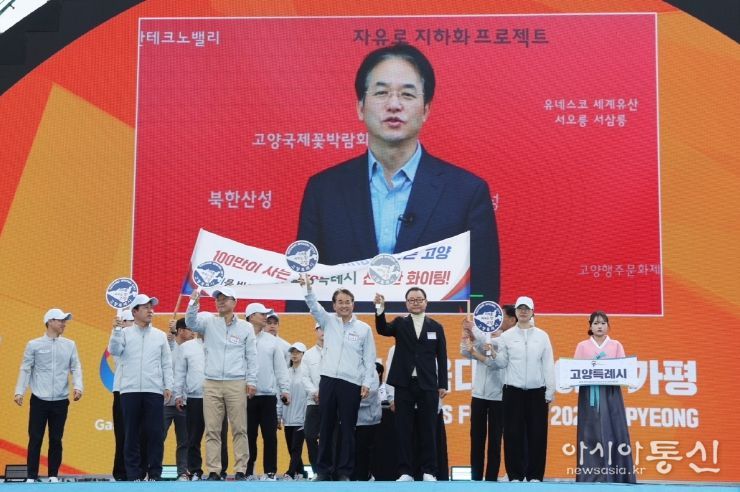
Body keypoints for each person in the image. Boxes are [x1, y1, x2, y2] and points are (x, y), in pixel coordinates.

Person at [297, 43, 499, 309]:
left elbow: (483, 295)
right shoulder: (324, 191)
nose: (394, 105)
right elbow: (303, 288)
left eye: (407, 94)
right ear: (360, 107)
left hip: (432, 335)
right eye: (381, 93)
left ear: (426, 109)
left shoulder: (466, 193)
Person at [299, 276, 377, 481]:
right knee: (326, 426)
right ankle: (323, 471)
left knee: (348, 428)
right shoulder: (328, 321)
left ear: (353, 304)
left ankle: (344, 472)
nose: (344, 305)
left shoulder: (364, 329)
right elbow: (314, 306)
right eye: (340, 302)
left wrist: (367, 383)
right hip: (328, 381)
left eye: (347, 302)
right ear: (334, 305)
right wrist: (308, 289)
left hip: (351, 383)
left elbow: (369, 358)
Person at [374, 287, 448, 481]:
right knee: (403, 430)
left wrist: (443, 384)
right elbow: (382, 329)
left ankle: (429, 471)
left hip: (428, 384)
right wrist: (380, 309)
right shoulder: (400, 323)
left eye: (419, 299)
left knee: (429, 429)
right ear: (406, 303)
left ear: (426, 302)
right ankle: (405, 471)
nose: (416, 302)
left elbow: (442, 357)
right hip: (404, 384)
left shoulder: (436, 327)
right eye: (412, 300)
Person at [185, 287, 258, 481]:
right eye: (218, 298)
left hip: (236, 382)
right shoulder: (209, 322)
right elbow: (190, 322)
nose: (220, 301)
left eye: (225, 298)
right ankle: (214, 470)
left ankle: (241, 469)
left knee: (239, 428)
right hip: (211, 382)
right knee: (212, 430)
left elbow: (251, 356)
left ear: (234, 302)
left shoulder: (246, 327)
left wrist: (251, 381)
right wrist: (193, 303)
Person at [108, 294, 173, 481]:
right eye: (145, 308)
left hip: (154, 390)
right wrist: (116, 331)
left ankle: (155, 473)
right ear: (134, 312)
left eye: (151, 307)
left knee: (155, 434)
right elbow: (114, 351)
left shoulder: (160, 336)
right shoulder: (124, 333)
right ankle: (133, 474)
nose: (150, 311)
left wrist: (168, 385)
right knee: (131, 434)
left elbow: (166, 363)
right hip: (129, 391)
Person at [490, 296, 555, 482]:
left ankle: (535, 475)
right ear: (516, 312)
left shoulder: (542, 336)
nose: (523, 311)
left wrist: (550, 390)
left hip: (537, 392)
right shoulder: (506, 336)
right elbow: (502, 363)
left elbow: (548, 364)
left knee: (538, 434)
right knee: (512, 434)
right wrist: (492, 352)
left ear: (533, 311)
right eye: (520, 308)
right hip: (513, 391)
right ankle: (515, 475)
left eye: (527, 308)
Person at [14, 308, 83, 483]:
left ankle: (53, 475)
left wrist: (78, 386)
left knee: (56, 439)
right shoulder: (34, 344)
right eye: (61, 320)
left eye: (65, 321)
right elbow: (25, 368)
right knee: (35, 438)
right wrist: (19, 391)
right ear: (50, 321)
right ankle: (31, 476)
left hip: (61, 400)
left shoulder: (70, 344)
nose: (64, 324)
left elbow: (76, 367)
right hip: (39, 399)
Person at [574, 311, 636, 483]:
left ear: (608, 326)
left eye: (602, 323)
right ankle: (590, 475)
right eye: (595, 323)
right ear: (590, 326)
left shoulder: (616, 345)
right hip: (589, 393)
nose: (599, 326)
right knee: (589, 431)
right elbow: (575, 369)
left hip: (611, 393)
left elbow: (624, 368)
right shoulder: (582, 346)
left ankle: (617, 474)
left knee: (614, 429)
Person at [460, 304, 516, 481]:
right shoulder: (484, 335)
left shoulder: (505, 339)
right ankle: (476, 477)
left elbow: (492, 358)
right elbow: (465, 352)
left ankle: (491, 477)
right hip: (478, 395)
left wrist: (475, 331)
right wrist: (466, 334)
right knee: (476, 437)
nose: (498, 319)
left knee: (495, 439)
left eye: (501, 316)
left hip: (499, 396)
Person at [173, 330, 230, 481]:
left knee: (219, 435)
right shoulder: (186, 347)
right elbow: (180, 372)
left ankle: (219, 471)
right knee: (193, 437)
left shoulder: (222, 345)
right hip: (195, 397)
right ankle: (195, 471)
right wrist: (178, 394)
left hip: (218, 397)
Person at [244, 302, 290, 480]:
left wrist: (285, 389)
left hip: (268, 396)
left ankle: (270, 472)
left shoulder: (272, 341)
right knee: (248, 436)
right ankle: (247, 472)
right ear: (251, 317)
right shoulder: (241, 338)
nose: (265, 317)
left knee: (270, 436)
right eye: (262, 314)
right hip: (245, 396)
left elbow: (280, 368)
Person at [164, 318, 193, 481]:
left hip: (185, 403)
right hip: (166, 403)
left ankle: (183, 472)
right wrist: (170, 336)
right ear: (181, 331)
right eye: (189, 329)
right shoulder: (168, 346)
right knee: (157, 438)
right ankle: (152, 471)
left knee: (184, 441)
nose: (193, 332)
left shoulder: (194, 349)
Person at [111, 309, 135, 481]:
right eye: (129, 321)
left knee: (138, 434)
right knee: (122, 434)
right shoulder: (118, 338)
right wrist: (116, 330)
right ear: (123, 323)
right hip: (121, 391)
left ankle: (137, 470)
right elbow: (115, 351)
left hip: (140, 391)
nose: (133, 325)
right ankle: (120, 471)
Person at [279, 342, 309, 479]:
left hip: (301, 418)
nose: (294, 355)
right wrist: (279, 415)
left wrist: (307, 416)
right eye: (292, 352)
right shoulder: (286, 373)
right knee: (291, 448)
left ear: (303, 354)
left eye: (298, 352)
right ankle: (302, 472)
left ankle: (290, 472)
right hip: (287, 418)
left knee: (296, 448)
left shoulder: (306, 373)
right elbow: (280, 394)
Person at [353, 362, 383, 481]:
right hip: (352, 420)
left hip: (368, 420)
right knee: (354, 451)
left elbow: (370, 394)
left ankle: (366, 476)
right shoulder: (349, 369)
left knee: (364, 451)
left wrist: (349, 403)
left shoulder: (372, 372)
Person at [301, 323, 324, 473]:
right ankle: (317, 470)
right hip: (313, 402)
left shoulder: (337, 353)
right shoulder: (308, 355)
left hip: (331, 403)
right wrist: (315, 393)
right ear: (316, 331)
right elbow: (305, 377)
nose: (324, 332)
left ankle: (330, 470)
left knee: (331, 439)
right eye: (320, 328)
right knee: (309, 436)